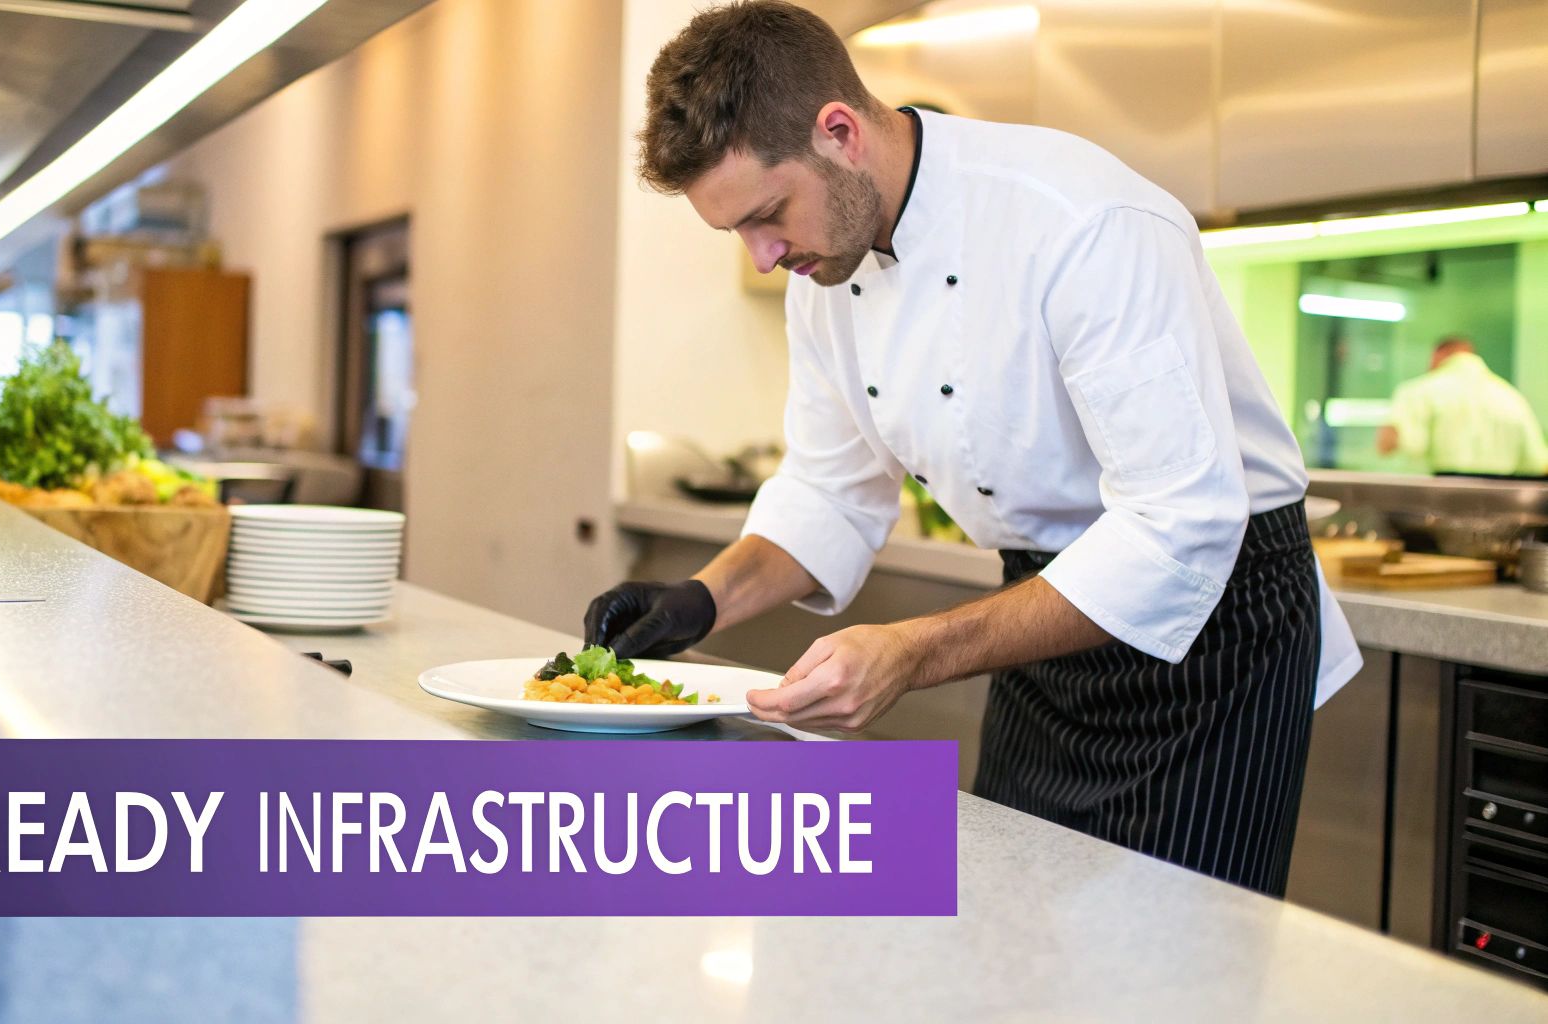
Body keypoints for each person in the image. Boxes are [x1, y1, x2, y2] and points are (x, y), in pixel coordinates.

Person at [582, 0, 1361, 897]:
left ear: (839, 132)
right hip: (1038, 615)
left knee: (1174, 965)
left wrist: (915, 649)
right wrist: (699, 600)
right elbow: (831, 492)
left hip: (1213, 638)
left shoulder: (1082, 219)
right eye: (738, 233)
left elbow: (1177, 527)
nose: (761, 256)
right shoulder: (821, 272)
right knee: (1013, 931)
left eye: (767, 214)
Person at [1376, 337, 1548, 477]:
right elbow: (1536, 462)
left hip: (1436, 501)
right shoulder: (1511, 396)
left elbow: (1401, 446)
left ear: (1438, 355)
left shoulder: (1418, 391)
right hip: (1498, 501)